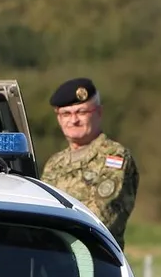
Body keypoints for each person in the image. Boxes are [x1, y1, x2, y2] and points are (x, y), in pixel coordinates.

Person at [38, 77, 139, 249]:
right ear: (59, 118)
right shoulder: (55, 163)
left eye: (82, 112)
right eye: (66, 114)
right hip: (53, 257)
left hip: (94, 258)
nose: (74, 120)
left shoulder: (114, 157)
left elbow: (100, 216)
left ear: (98, 113)